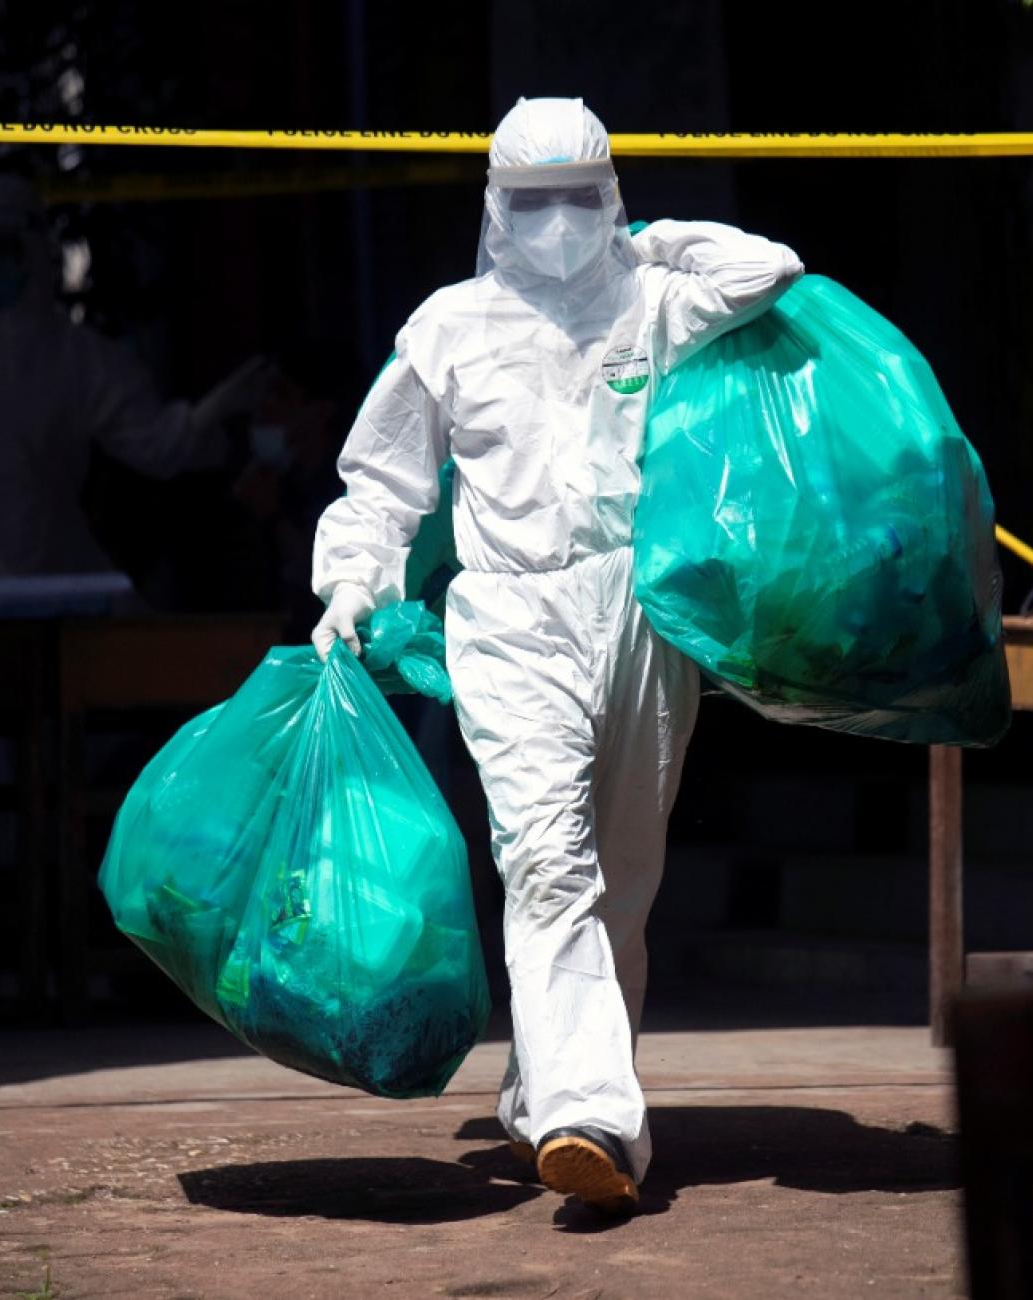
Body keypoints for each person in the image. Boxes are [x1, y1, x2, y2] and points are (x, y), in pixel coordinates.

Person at [311, 96, 802, 1214]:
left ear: (613, 196)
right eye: (533, 202)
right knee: (546, 863)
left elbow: (768, 271)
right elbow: (381, 479)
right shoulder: (448, 328)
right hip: (510, 620)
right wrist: (353, 578)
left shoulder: (654, 301)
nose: (558, 222)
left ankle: (548, 1094)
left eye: (580, 198)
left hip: (638, 612)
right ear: (494, 205)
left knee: (620, 881)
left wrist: (659, 239)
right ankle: (592, 1114)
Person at [0, 173, 275, 577]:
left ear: (34, 251)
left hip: (53, 574)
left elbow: (155, 445)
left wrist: (213, 409)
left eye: (2, 248)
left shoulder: (80, 357)